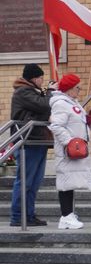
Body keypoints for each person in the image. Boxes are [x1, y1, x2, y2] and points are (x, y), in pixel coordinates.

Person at [49, 74, 91, 230]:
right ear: (69, 89)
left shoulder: (72, 103)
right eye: (77, 87)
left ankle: (69, 214)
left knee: (71, 182)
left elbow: (79, 123)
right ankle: (66, 216)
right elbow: (56, 126)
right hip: (67, 151)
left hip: (76, 150)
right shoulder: (61, 104)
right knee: (66, 183)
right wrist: (69, 142)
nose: (79, 90)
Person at [9, 64, 53, 227]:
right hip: (27, 141)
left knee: (34, 182)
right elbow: (43, 105)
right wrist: (51, 92)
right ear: (35, 78)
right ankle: (18, 216)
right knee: (25, 181)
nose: (43, 81)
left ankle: (29, 214)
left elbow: (42, 108)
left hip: (37, 139)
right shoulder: (23, 92)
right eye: (42, 78)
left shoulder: (34, 92)